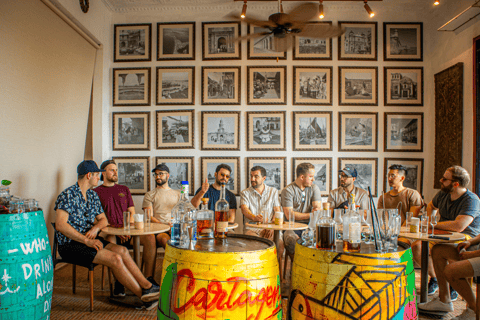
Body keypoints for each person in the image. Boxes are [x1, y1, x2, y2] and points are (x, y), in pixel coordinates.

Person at [54, 160, 159, 310]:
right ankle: (143, 296)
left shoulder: (91, 195)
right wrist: (86, 240)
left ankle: (148, 287)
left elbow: (103, 220)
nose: (99, 178)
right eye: (97, 175)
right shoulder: (67, 195)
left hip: (90, 239)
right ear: (89, 175)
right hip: (71, 245)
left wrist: (96, 229)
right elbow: (60, 225)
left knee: (121, 250)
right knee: (115, 258)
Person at [414, 166, 480, 307]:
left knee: (440, 249)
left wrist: (433, 224)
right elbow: (431, 205)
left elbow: (459, 226)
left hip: (466, 238)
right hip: (442, 235)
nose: (440, 180)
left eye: (444, 179)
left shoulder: (472, 200)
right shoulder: (444, 193)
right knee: (417, 247)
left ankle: (451, 294)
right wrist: (432, 219)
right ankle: (439, 285)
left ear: (455, 183)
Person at [94, 160, 158, 296]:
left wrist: (127, 230)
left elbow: (132, 213)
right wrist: (118, 232)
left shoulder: (124, 190)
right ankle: (119, 282)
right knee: (111, 239)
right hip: (109, 233)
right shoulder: (95, 192)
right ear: (103, 173)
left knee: (150, 238)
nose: (115, 172)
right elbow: (97, 219)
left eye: (116, 170)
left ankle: (147, 279)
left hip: (128, 231)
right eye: (112, 170)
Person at [240, 166, 284, 261]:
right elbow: (244, 209)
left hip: (270, 228)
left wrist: (272, 227)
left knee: (279, 244)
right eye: (251, 176)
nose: (252, 179)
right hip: (252, 228)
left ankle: (277, 272)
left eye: (256, 176)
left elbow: (277, 211)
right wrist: (254, 217)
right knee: (255, 244)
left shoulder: (273, 191)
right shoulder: (245, 193)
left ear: (264, 178)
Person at [282, 163, 322, 256]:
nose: (313, 179)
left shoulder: (314, 188)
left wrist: (314, 212)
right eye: (311, 176)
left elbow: (317, 210)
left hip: (309, 225)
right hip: (291, 226)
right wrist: (310, 214)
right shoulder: (288, 190)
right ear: (302, 177)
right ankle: (296, 266)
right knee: (290, 238)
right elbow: (289, 215)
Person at [142, 163, 181, 249]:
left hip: (175, 227)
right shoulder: (149, 194)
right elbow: (149, 216)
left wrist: (175, 227)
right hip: (159, 229)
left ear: (168, 176)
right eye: (155, 174)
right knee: (164, 240)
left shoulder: (178, 193)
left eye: (160, 174)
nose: (157, 176)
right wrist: (166, 227)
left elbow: (183, 213)